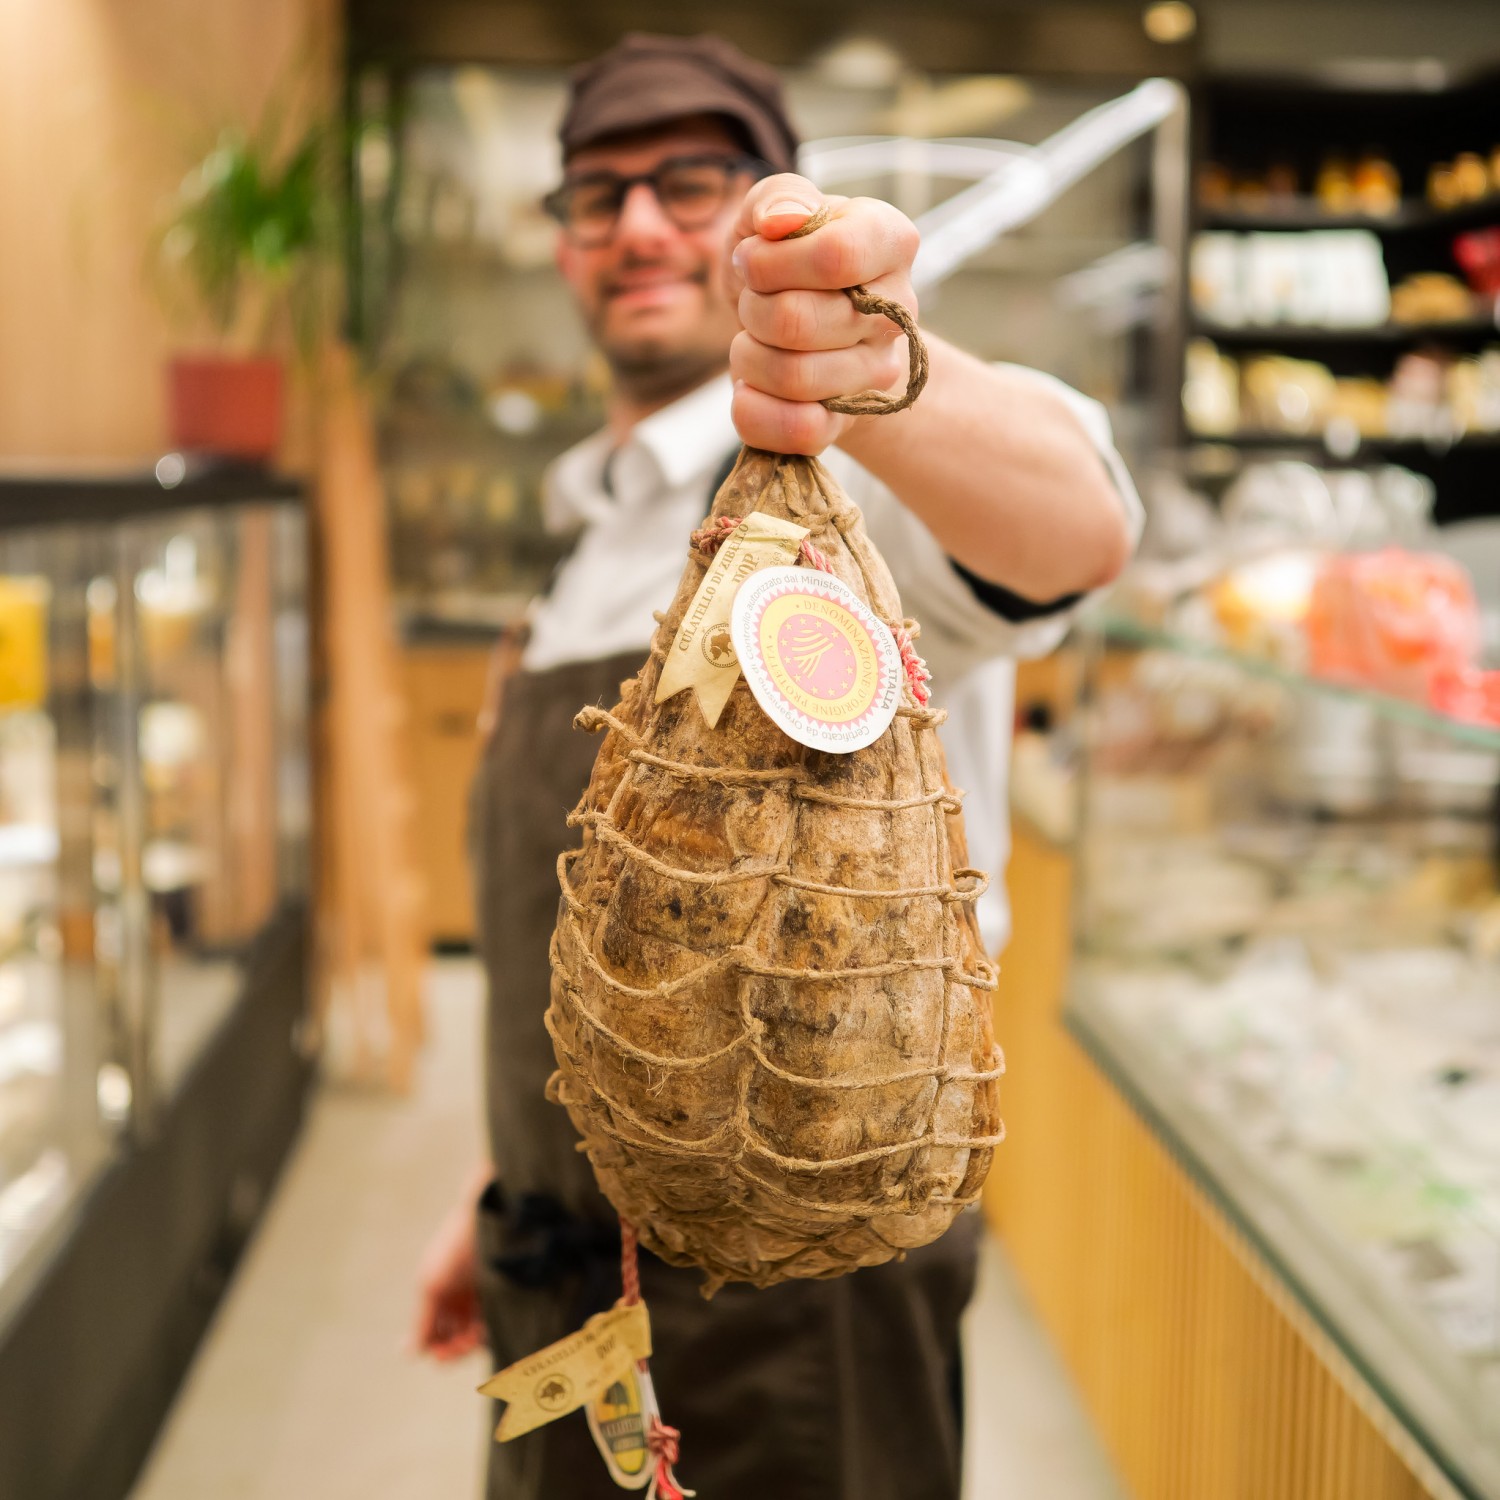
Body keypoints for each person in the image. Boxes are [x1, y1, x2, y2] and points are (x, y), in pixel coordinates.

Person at [412, 32, 1142, 1500]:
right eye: (595, 193)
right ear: (559, 245)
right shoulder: (598, 528)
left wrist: (877, 361)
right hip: (571, 1266)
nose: (637, 225)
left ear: (763, 214)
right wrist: (510, 1176)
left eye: (691, 181)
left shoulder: (858, 483)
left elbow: (1076, 525)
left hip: (807, 1303)